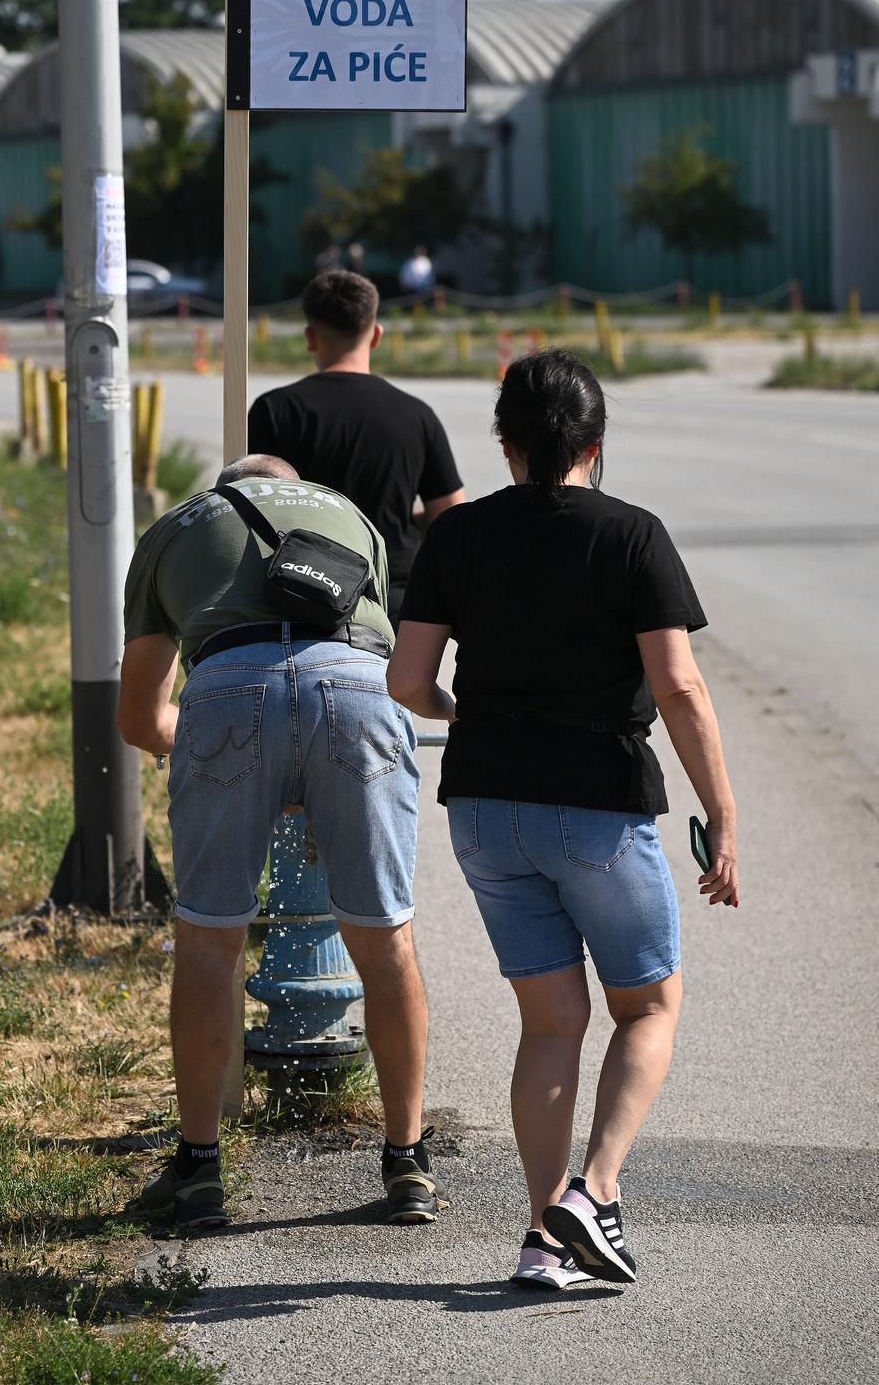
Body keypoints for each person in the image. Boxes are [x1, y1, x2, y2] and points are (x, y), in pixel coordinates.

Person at [387, 349, 738, 1290]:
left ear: (504, 445)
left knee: (549, 1025)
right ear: (595, 443)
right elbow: (677, 686)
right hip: (594, 803)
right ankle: (594, 1195)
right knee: (648, 1005)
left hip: (485, 808)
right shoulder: (631, 535)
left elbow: (408, 682)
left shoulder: (456, 539)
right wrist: (720, 810)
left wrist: (470, 718)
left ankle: (544, 1243)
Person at [118, 454, 440, 1229]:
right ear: (290, 485)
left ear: (228, 485)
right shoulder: (349, 514)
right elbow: (379, 650)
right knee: (384, 933)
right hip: (358, 693)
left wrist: (207, 746)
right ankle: (406, 1163)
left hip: (228, 689)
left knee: (209, 937)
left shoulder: (179, 527)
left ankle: (198, 1171)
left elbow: (138, 719)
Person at [248, 270, 465, 625]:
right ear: (376, 335)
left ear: (309, 337)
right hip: (390, 600)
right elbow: (452, 518)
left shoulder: (275, 411)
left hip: (300, 595)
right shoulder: (416, 415)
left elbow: (251, 505)